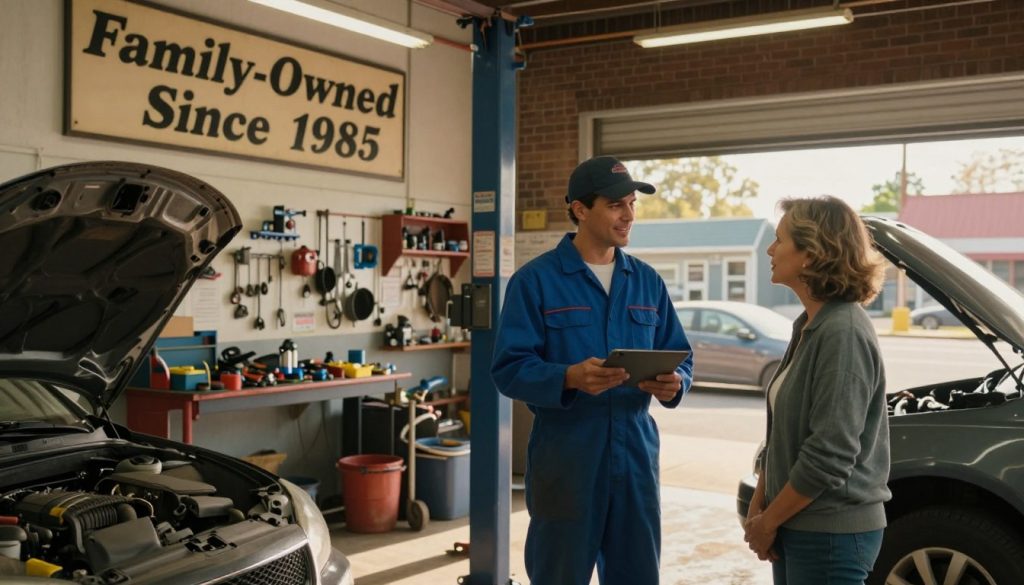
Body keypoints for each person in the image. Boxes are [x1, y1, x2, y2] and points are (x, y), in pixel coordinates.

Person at [491, 155, 693, 585]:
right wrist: (568, 377)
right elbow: (509, 368)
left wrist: (675, 384)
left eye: (633, 204)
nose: (628, 215)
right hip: (566, 463)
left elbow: (680, 355)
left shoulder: (647, 282)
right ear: (581, 210)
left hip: (636, 458)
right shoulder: (535, 281)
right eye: (616, 204)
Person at [743, 196, 890, 584]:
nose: (771, 250)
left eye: (780, 240)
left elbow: (831, 452)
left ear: (811, 253)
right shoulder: (809, 324)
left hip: (831, 532)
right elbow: (784, 436)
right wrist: (761, 506)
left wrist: (767, 521)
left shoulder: (843, 332)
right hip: (797, 522)